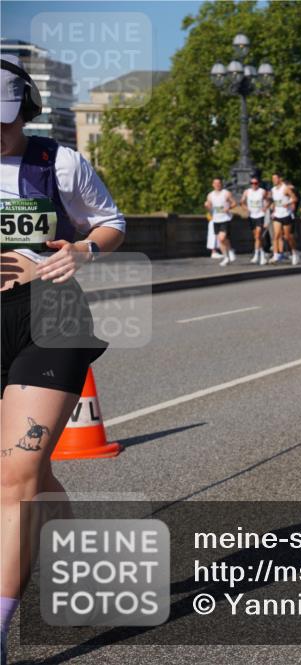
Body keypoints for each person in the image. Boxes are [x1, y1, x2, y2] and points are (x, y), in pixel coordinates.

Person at [0, 55, 126, 664]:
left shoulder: (58, 162)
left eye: (6, 119)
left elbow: (111, 224)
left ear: (25, 109)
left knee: (15, 477)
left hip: (50, 318)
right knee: (33, 476)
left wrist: (80, 249)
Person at [204, 178, 236, 267]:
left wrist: (228, 208)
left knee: (222, 238)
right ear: (213, 185)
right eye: (215, 183)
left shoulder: (226, 193)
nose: (217, 185)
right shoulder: (210, 195)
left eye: (219, 183)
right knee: (221, 240)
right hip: (216, 219)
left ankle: (228, 254)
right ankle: (227, 256)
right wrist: (207, 206)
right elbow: (210, 208)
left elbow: (234, 203)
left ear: (221, 184)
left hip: (225, 219)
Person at [269, 172, 299, 265]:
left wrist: (288, 203)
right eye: (272, 179)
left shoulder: (285, 188)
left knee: (287, 236)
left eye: (275, 179)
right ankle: (275, 255)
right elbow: (275, 201)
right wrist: (273, 206)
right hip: (277, 215)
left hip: (286, 214)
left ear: (279, 179)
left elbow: (295, 198)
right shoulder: (273, 189)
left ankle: (294, 253)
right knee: (276, 235)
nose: (273, 180)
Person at [241, 176, 269, 265]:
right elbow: (242, 201)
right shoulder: (247, 192)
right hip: (251, 216)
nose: (254, 185)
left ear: (258, 184)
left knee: (258, 235)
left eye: (256, 183)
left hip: (260, 215)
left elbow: (269, 200)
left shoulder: (262, 191)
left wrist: (265, 207)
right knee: (257, 237)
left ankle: (256, 255)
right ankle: (263, 254)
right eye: (252, 183)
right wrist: (246, 208)